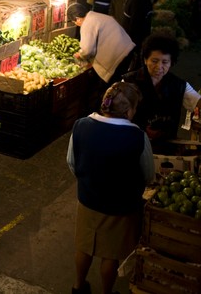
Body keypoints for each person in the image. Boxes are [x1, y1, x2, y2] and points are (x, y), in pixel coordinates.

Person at [67, 81, 154, 294]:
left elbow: (72, 162)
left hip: (88, 200)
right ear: (128, 110)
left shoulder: (81, 125)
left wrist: (89, 180)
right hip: (121, 206)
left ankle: (78, 287)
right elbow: (148, 174)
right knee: (110, 254)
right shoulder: (137, 136)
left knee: (84, 246)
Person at [123, 33, 201, 145]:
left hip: (166, 144)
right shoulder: (129, 81)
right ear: (145, 60)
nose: (159, 67)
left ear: (171, 62)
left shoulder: (179, 85)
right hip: (133, 143)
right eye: (154, 61)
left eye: (165, 62)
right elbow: (117, 112)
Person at [68, 3, 135, 87]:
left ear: (77, 19)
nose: (76, 25)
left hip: (118, 58)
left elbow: (87, 50)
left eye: (74, 22)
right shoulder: (97, 16)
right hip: (128, 50)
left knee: (112, 89)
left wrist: (79, 55)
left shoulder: (87, 23)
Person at [116, 0, 153, 69]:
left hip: (135, 43)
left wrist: (128, 43)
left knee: (134, 67)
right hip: (136, 41)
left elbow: (135, 25)